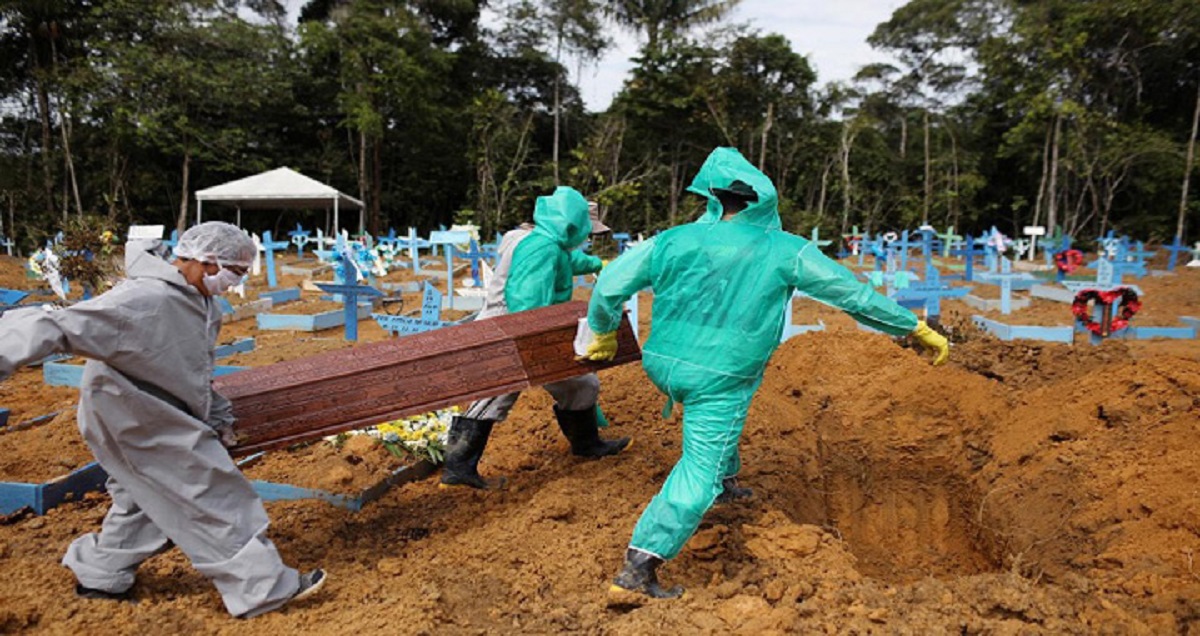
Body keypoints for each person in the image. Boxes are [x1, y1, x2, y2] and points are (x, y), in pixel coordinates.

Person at [581, 148, 949, 600]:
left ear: (713, 198)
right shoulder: (785, 249)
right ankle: (639, 566)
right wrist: (912, 326)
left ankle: (727, 483)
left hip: (663, 363)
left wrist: (601, 332)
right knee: (700, 465)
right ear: (765, 201)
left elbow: (610, 282)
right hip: (720, 371)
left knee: (724, 419)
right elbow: (851, 295)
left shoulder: (672, 239)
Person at [0, 222, 325, 618]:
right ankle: (264, 589)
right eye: (235, 272)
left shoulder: (199, 301)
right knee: (214, 494)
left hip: (156, 412)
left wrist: (217, 415)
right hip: (134, 415)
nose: (234, 283)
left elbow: (191, 367)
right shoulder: (145, 297)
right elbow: (58, 325)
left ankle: (102, 574)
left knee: (143, 498)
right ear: (207, 263)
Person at [440, 187, 631, 489]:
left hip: (535, 330)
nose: (586, 237)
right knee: (493, 395)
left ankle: (587, 444)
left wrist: (597, 264)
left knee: (581, 383)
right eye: (585, 231)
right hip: (512, 331)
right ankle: (458, 469)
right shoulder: (540, 249)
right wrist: (537, 340)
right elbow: (527, 305)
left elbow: (568, 262)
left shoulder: (548, 243)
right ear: (572, 225)